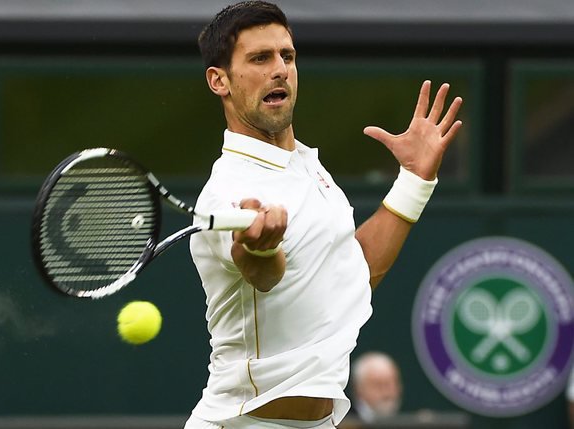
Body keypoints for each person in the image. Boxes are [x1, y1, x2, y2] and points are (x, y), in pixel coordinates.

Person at [185, 1, 463, 428]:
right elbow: (263, 273)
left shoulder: (307, 165)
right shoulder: (226, 193)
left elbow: (353, 275)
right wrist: (260, 251)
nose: (280, 69)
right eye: (260, 58)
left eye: (288, 56)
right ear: (218, 80)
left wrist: (414, 181)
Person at [350, 352, 403, 423]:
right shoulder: (342, 423)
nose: (386, 392)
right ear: (359, 389)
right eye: (378, 385)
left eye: (389, 384)